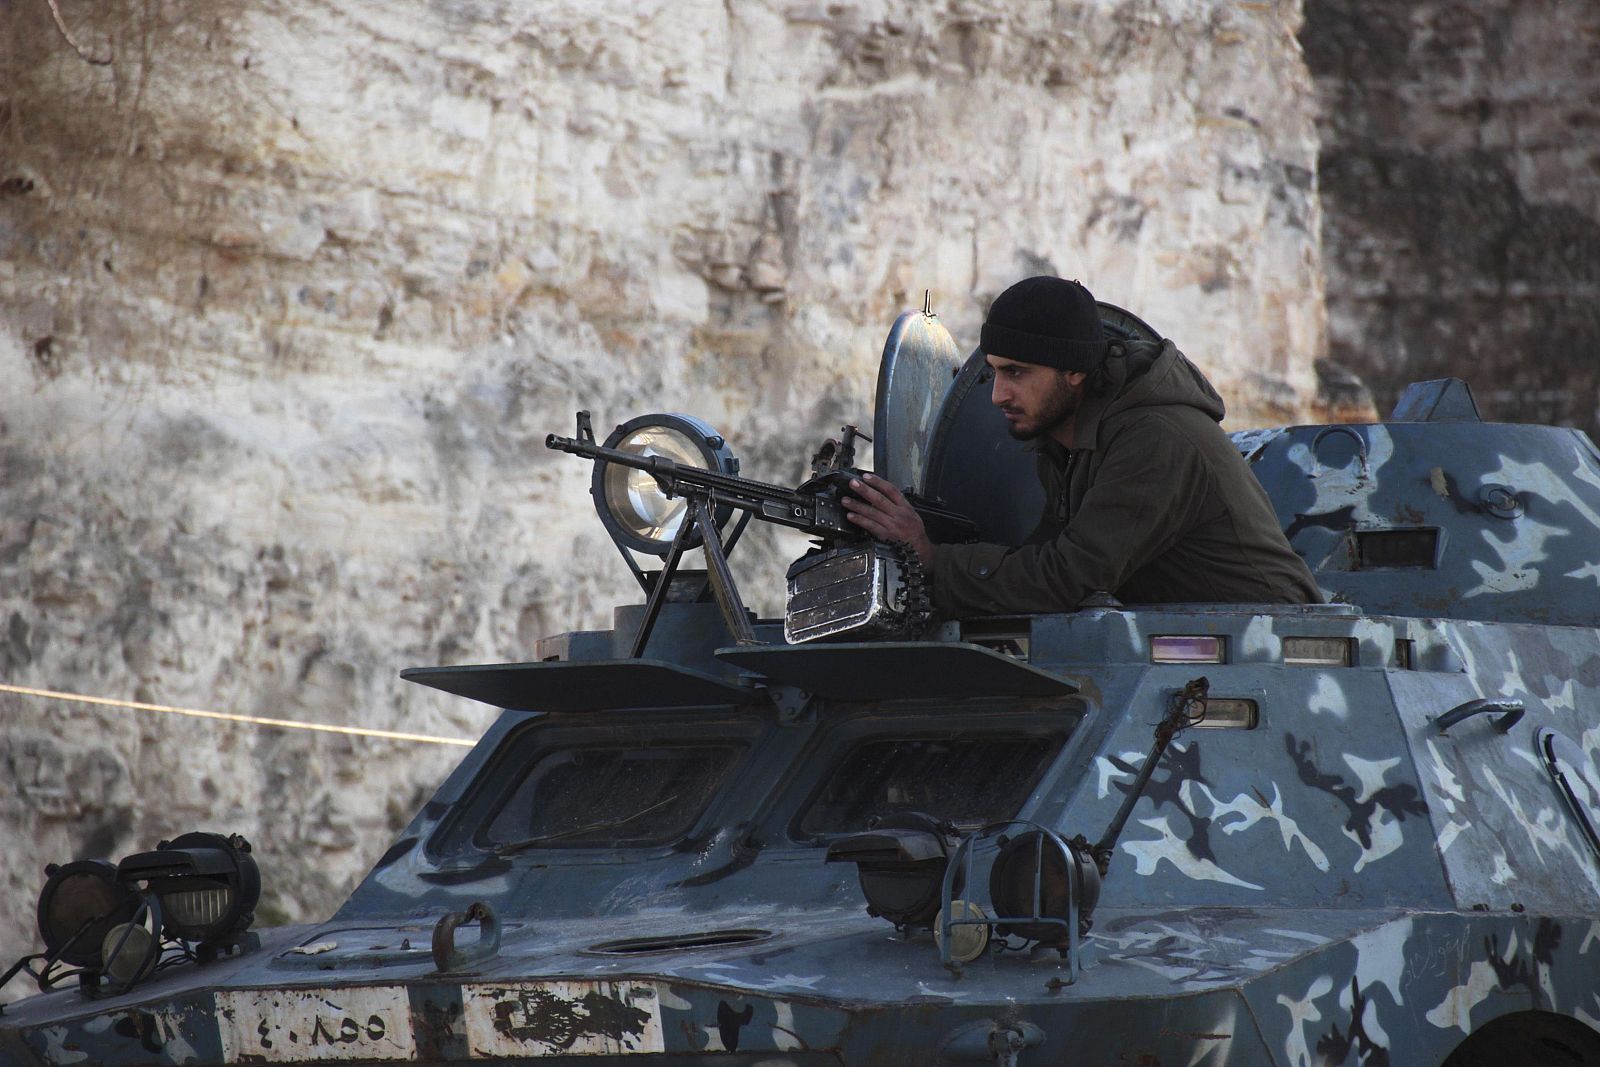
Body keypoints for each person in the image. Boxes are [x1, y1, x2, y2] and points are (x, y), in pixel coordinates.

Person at [842, 275, 1321, 617]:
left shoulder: (1155, 438)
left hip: (1267, 648)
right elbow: (1043, 557)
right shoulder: (1071, 439)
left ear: (1073, 372)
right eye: (994, 371)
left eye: (1017, 373)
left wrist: (931, 558)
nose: (997, 395)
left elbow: (1071, 578)